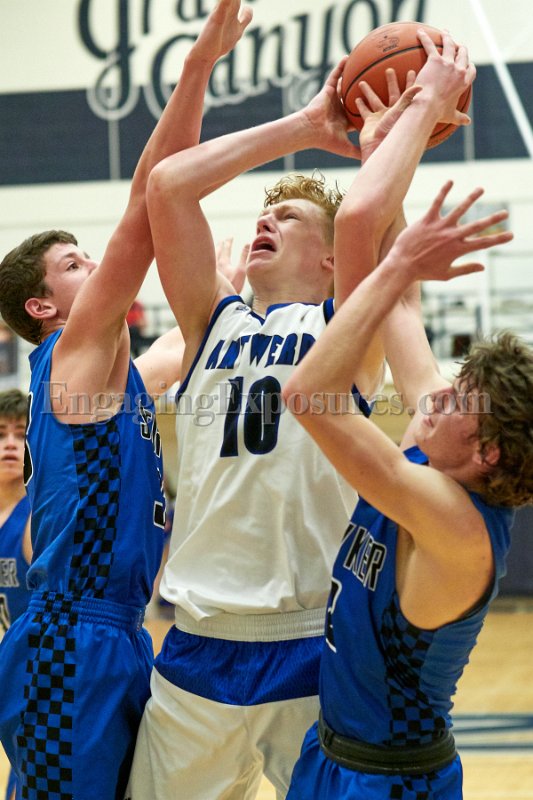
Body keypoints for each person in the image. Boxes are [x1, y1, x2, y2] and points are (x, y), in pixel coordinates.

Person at [127, 27, 475, 800]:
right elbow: (169, 186)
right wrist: (307, 126)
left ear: (328, 260)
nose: (265, 220)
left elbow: (376, 232)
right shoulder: (209, 324)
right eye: (265, 213)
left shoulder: (345, 328)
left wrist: (395, 138)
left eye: (286, 217)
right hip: (198, 636)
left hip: (315, 640)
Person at [0, 3, 252, 799]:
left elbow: (184, 346)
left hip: (117, 631)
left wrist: (226, 289)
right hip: (69, 637)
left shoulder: (117, 381)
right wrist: (197, 66)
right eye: (75, 264)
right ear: (43, 306)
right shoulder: (69, 353)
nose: (98, 265)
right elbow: (148, 204)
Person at [281, 179, 531, 799]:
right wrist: (389, 147)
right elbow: (401, 309)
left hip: (390, 780)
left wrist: (397, 266)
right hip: (332, 753)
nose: (437, 396)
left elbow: (307, 397)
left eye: (459, 399)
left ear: (487, 451)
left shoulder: (456, 523)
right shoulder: (444, 447)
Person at [0, 389, 31, 800]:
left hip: (36, 674)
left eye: (21, 433)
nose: (10, 443)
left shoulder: (39, 514)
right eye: (0, 433)